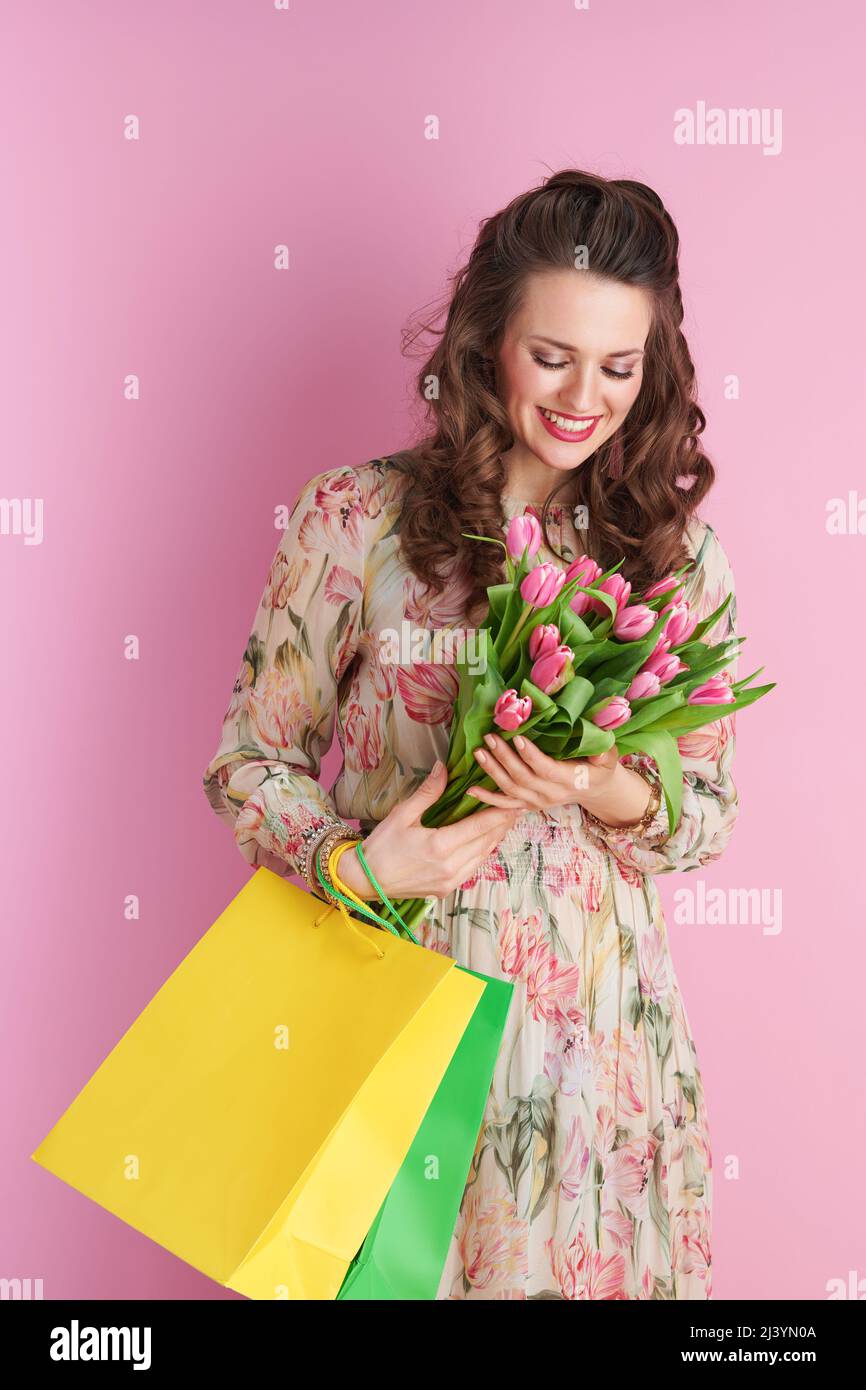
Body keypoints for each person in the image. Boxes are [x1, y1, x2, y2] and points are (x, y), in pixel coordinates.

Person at [202, 169, 739, 1300]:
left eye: (617, 365)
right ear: (487, 335)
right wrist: (355, 861)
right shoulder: (357, 519)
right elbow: (251, 761)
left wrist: (604, 786)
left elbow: (704, 816)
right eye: (551, 354)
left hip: (601, 1060)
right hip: (395, 1025)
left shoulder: (674, 561)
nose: (581, 396)